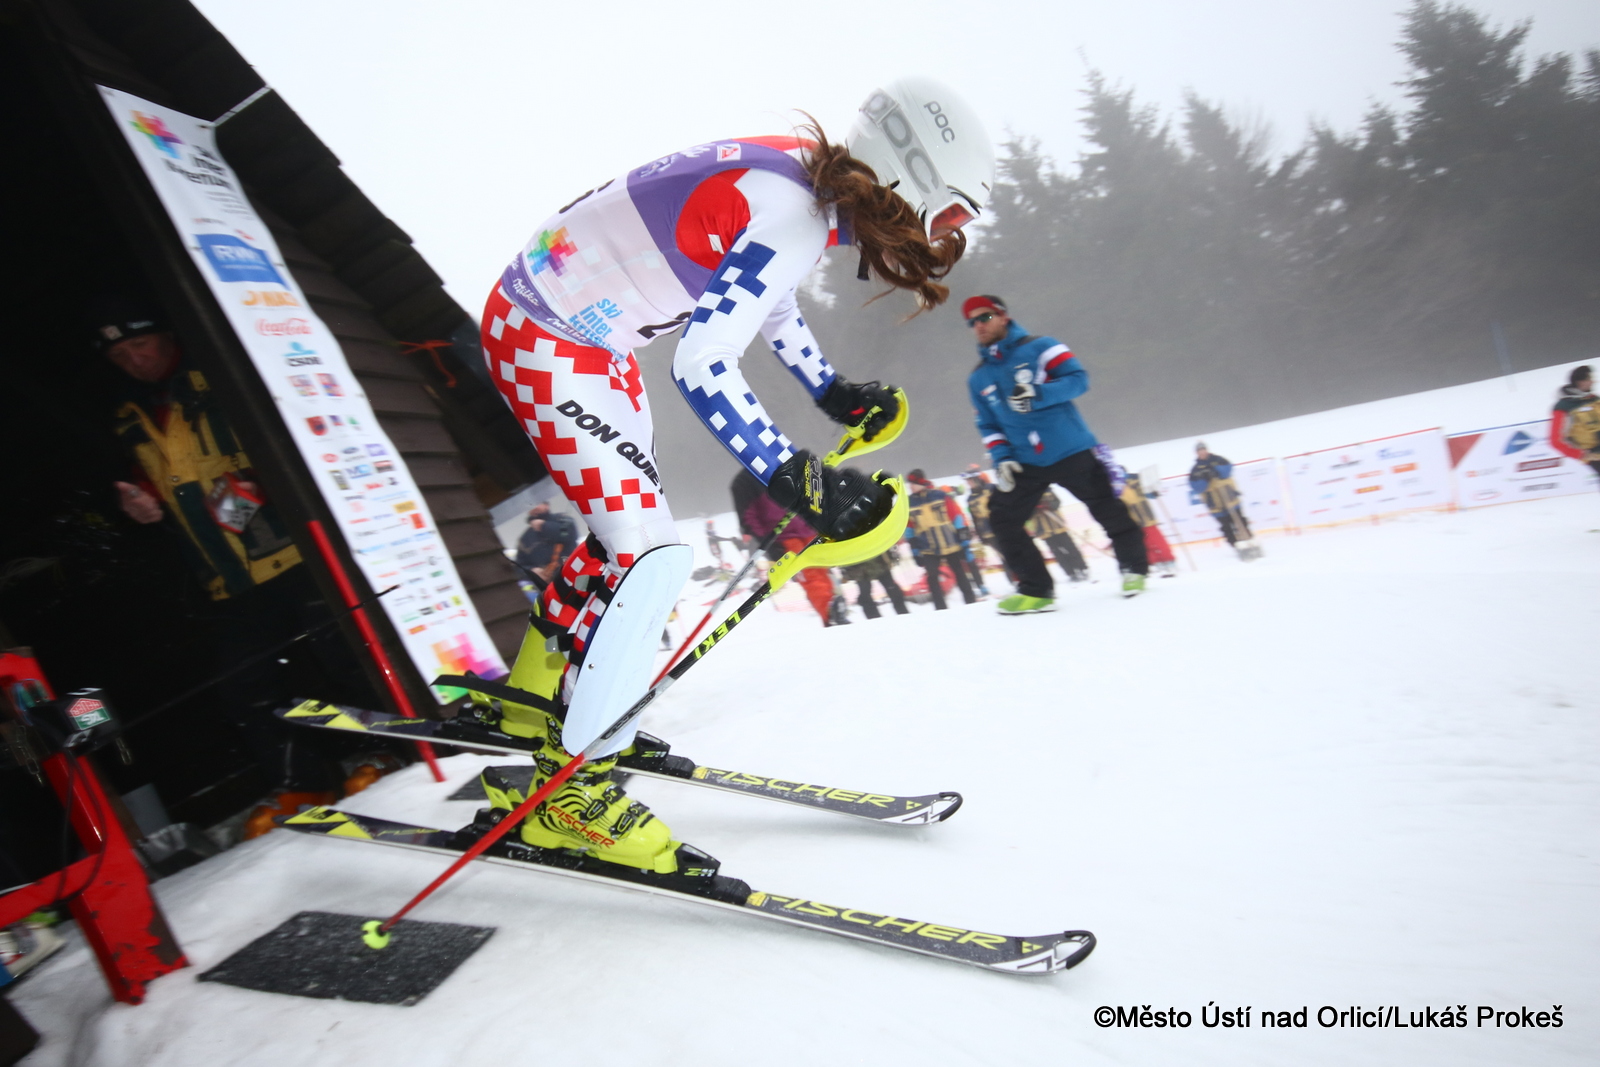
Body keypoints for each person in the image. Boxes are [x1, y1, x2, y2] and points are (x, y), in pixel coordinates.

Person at [467, 78, 995, 876]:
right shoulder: (794, 212)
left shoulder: (805, 186)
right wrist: (790, 473)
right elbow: (704, 361)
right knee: (647, 555)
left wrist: (830, 389)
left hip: (580, 335)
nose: (946, 235)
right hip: (549, 335)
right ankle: (570, 795)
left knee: (627, 541)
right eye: (951, 214)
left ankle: (534, 704)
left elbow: (762, 294)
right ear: (910, 175)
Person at [90, 294, 350, 804]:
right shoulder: (127, 418)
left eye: (141, 345)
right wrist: (137, 503)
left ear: (166, 336)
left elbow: (295, 433)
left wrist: (261, 479)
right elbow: (148, 486)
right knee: (243, 689)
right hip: (231, 581)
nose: (134, 360)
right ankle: (306, 787)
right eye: (120, 356)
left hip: (298, 555)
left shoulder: (218, 375)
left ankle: (406, 752)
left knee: (345, 656)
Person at [963, 295, 1149, 612]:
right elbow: (987, 423)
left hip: (1070, 448)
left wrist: (1039, 393)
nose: (979, 325)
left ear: (1003, 317)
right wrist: (1002, 458)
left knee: (1107, 508)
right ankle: (1037, 590)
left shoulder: (1041, 346)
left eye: (985, 317)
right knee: (1002, 518)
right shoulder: (977, 377)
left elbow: (1079, 380)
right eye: (972, 322)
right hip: (1025, 461)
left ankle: (1134, 569)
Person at [730, 469, 836, 626]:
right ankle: (829, 612)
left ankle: (834, 606)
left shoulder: (778, 464)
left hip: (807, 528)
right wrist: (769, 543)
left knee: (822, 571)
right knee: (809, 575)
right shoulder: (744, 481)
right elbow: (749, 518)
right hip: (784, 537)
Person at [905, 470, 977, 609]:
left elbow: (956, 516)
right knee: (932, 577)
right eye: (910, 484)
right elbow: (909, 528)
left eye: (913, 483)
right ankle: (940, 608)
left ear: (921, 483)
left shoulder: (940, 495)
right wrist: (914, 549)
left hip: (950, 543)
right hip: (928, 547)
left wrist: (964, 539)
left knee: (959, 572)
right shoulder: (909, 503)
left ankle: (971, 602)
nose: (910, 486)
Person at [1189, 442, 1261, 560]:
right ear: (1197, 453)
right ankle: (1237, 547)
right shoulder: (1195, 470)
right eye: (1199, 451)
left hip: (1230, 498)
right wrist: (1205, 478)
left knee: (1240, 522)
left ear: (1207, 450)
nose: (1202, 452)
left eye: (1203, 449)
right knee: (1226, 527)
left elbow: (1228, 470)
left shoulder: (1218, 459)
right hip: (1215, 504)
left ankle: (1251, 542)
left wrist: (1216, 471)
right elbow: (1197, 487)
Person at [1119, 469, 1178, 577]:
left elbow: (1148, 492)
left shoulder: (1136, 480)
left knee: (1157, 541)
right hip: (1134, 520)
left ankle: (1168, 561)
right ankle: (1154, 562)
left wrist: (1153, 492)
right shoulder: (1115, 486)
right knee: (1145, 544)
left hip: (1146, 518)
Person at [1550, 365, 1600, 486]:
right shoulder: (1564, 407)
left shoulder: (1594, 399)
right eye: (1589, 379)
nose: (1593, 381)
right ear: (1580, 382)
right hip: (1595, 456)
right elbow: (1556, 440)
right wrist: (1581, 454)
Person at [1026, 490, 1089, 583]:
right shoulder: (1025, 495)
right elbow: (1025, 512)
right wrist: (1035, 509)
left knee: (1071, 548)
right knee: (1058, 553)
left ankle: (1082, 568)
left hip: (1058, 526)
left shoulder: (1047, 490)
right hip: (1044, 531)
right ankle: (1070, 572)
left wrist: (1048, 505)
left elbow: (1057, 503)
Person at [513, 501, 579, 580]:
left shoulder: (561, 518)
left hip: (577, 569)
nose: (534, 508)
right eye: (530, 506)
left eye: (537, 504)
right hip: (554, 581)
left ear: (546, 505)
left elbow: (570, 533)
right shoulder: (525, 539)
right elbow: (519, 566)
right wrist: (532, 571)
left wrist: (544, 526)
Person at [839, 549, 909, 619]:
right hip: (862, 568)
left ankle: (902, 612)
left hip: (875, 564)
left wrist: (890, 557)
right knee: (866, 593)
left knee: (891, 588)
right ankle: (874, 617)